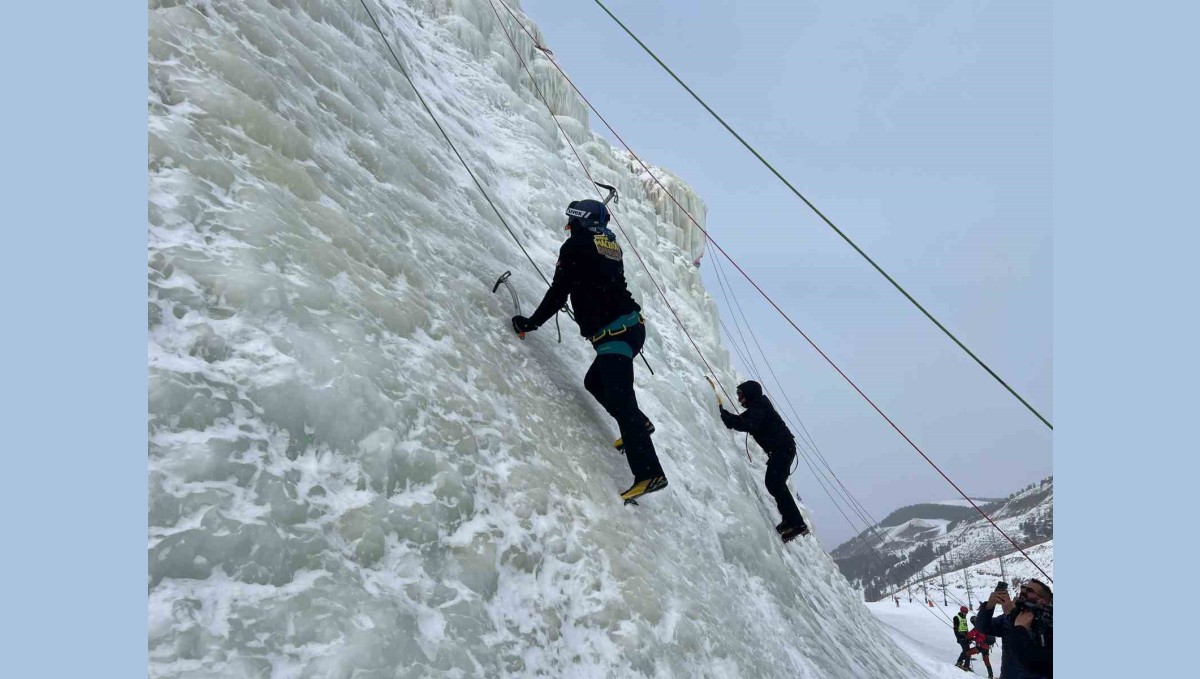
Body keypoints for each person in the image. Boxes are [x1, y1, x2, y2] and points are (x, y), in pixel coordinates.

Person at [511, 199, 667, 503]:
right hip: (630, 328)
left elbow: (559, 291)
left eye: (571, 221)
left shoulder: (576, 247)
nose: (568, 227)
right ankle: (640, 423)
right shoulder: (608, 242)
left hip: (615, 333)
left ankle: (649, 472)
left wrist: (531, 323)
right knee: (595, 382)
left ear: (579, 221)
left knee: (622, 398)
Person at [717, 380, 809, 541]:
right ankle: (790, 520)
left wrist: (730, 420)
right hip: (783, 449)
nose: (739, 399)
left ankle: (797, 523)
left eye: (741, 395)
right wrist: (728, 417)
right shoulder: (758, 406)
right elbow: (742, 420)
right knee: (775, 483)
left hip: (782, 449)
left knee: (775, 483)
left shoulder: (759, 406)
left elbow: (750, 424)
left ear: (749, 394)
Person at [976, 578, 1053, 678]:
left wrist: (1012, 616)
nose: (1023, 592)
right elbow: (982, 627)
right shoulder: (1009, 617)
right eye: (1023, 588)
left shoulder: (1049, 623)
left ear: (1043, 600)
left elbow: (1034, 661)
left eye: (1029, 590)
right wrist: (989, 606)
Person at [953, 605, 972, 670]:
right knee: (967, 651)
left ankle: (965, 664)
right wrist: (959, 637)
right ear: (961, 611)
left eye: (966, 613)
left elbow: (966, 628)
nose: (966, 614)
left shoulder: (964, 618)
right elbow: (955, 629)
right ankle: (961, 662)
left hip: (966, 637)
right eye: (965, 612)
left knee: (967, 651)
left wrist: (969, 637)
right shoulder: (956, 617)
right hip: (961, 637)